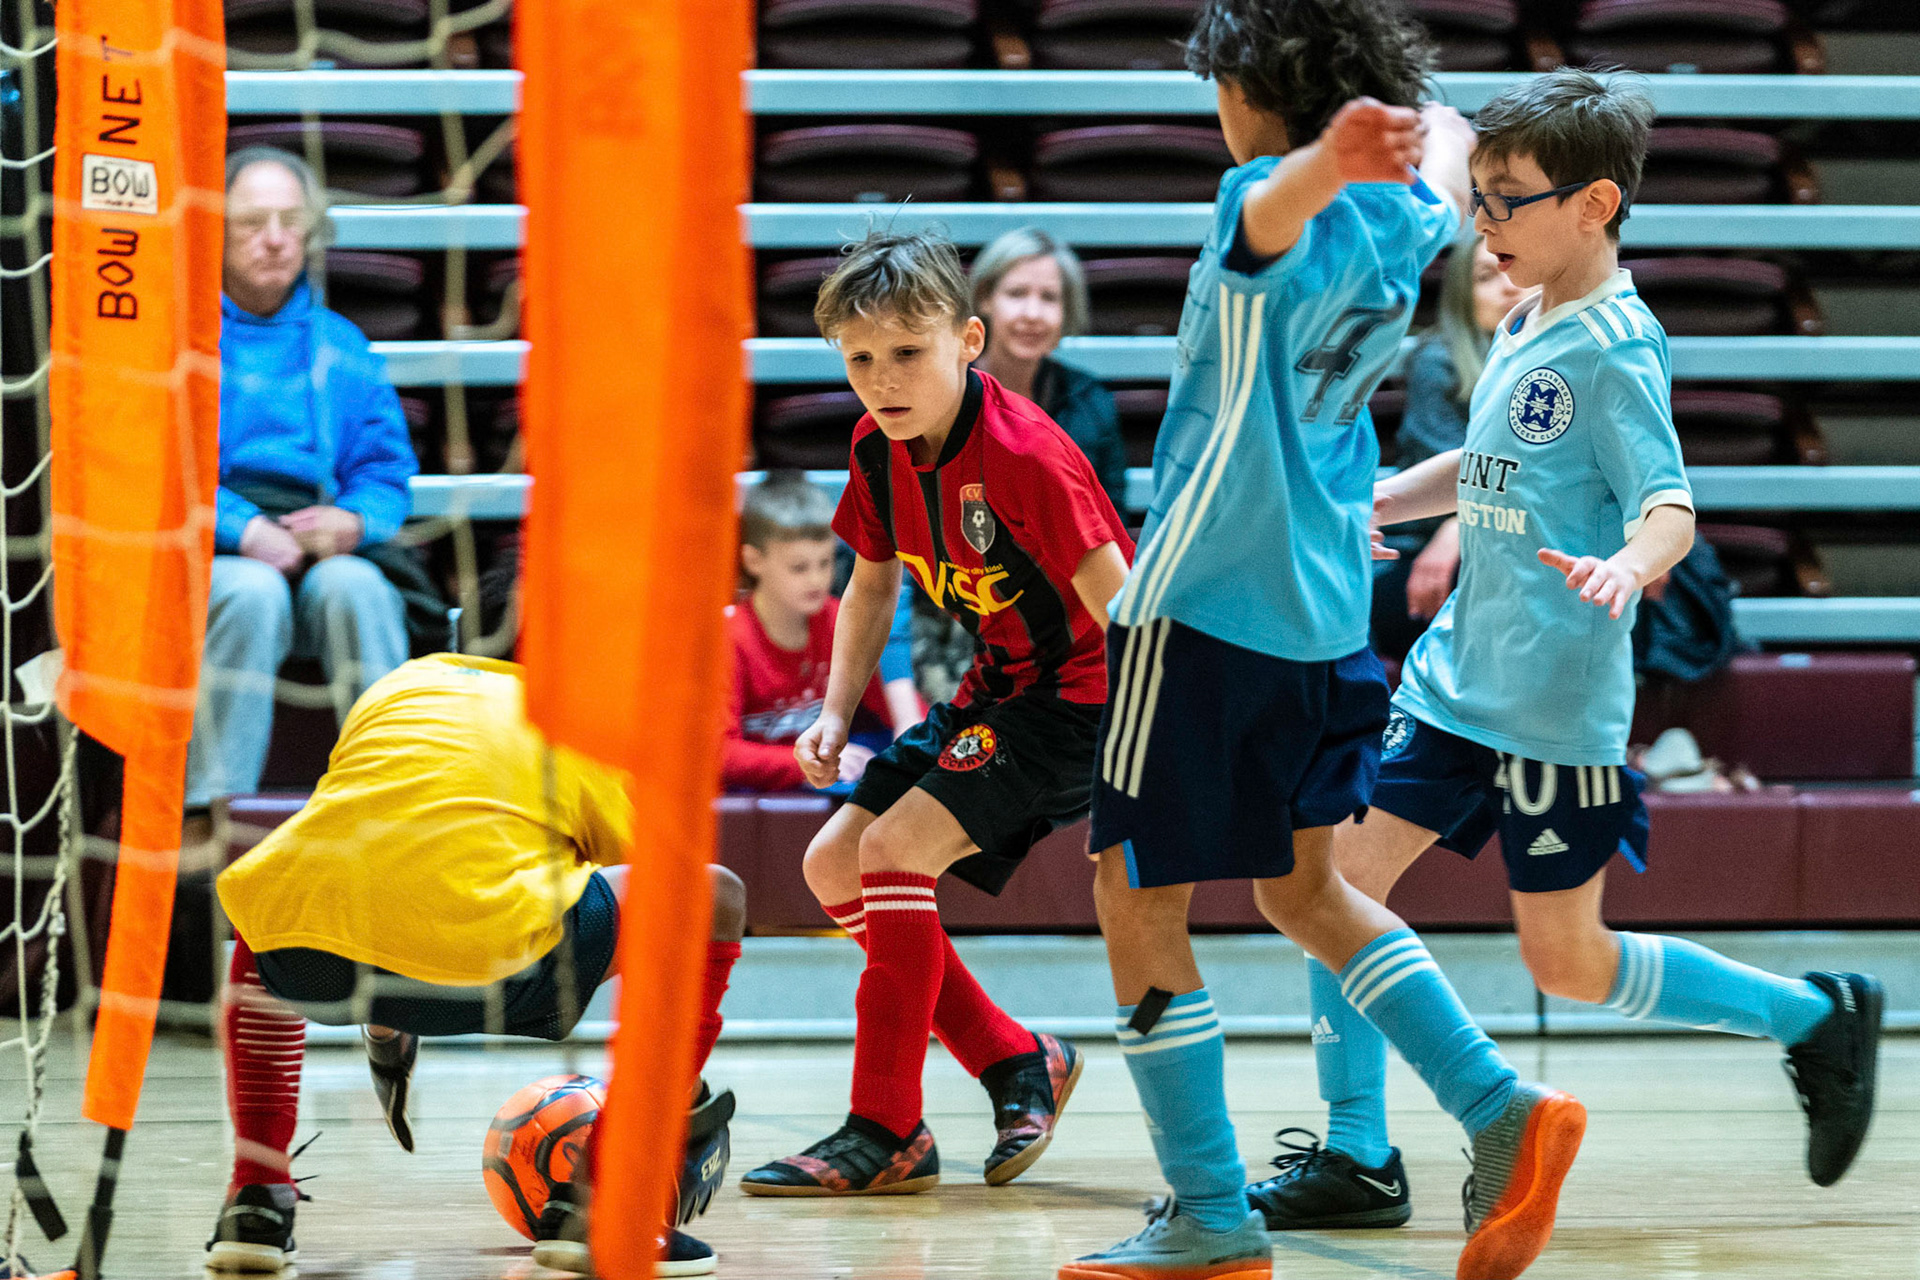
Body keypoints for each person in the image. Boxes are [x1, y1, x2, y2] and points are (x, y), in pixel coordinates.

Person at [1271, 68, 1882, 1235]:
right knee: (1328, 891)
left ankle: (1812, 1015)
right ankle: (1357, 1151)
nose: (1484, 220)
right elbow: (1491, 463)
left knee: (1570, 961)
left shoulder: (1619, 346)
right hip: (1454, 682)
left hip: (1558, 712)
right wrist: (1382, 509)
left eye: (1506, 199)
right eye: (1483, 196)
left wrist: (1629, 565)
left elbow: (1671, 506)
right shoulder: (1523, 309)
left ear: (1594, 202)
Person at [1065, 5, 1586, 1279]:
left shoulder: (1273, 194)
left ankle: (1208, 1213)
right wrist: (1388, 130)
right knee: (1306, 889)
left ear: (1253, 91)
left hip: (1200, 610)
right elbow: (1453, 135)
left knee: (1133, 895)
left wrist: (1325, 151)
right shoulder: (1408, 213)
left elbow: (1267, 210)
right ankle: (1498, 1108)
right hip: (1323, 614)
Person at [739, 230, 1133, 1198]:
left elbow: (1121, 602)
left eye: (907, 352)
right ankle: (1014, 1057)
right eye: (860, 357)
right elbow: (870, 588)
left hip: (1076, 700)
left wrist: (1158, 744)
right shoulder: (876, 448)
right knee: (832, 860)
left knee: (892, 851)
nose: (883, 377)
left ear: (969, 339)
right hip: (996, 685)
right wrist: (834, 712)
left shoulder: (1027, 453)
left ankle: (887, 1125)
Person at [206, 653, 746, 1278]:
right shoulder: (590, 724)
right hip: (501, 964)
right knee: (712, 896)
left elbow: (385, 833)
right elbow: (645, 874)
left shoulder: (406, 682)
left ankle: (257, 1199)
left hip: (314, 965)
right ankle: (603, 1196)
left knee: (277, 897)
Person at [187, 147, 420, 814]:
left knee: (359, 587)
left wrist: (353, 523)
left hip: (320, 548)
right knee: (252, 591)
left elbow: (384, 472)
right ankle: (213, 811)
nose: (275, 238)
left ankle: (394, 797)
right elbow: (163, 467)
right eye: (252, 222)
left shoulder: (342, 345)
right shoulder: (183, 343)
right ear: (218, 232)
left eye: (291, 221)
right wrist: (244, 529)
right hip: (215, 556)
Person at [1371, 234, 1526, 661]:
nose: (1508, 286)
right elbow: (1473, 477)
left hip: (1514, 541)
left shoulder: (1567, 357)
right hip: (1422, 550)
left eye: (1515, 268)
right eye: (1485, 277)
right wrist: (1456, 530)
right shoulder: (1438, 361)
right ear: (1462, 296)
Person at [725, 474, 916, 791]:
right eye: (799, 567)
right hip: (757, 798)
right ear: (754, 560)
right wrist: (802, 764)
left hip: (825, 784)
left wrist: (921, 739)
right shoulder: (729, 638)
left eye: (825, 563)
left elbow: (894, 706)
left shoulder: (838, 618)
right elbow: (720, 753)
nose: (816, 579)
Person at [971, 228, 1129, 514]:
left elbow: (1111, 523)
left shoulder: (1090, 400)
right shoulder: (944, 390)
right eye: (1017, 293)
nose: (1033, 314)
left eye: (1049, 298)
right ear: (985, 298)